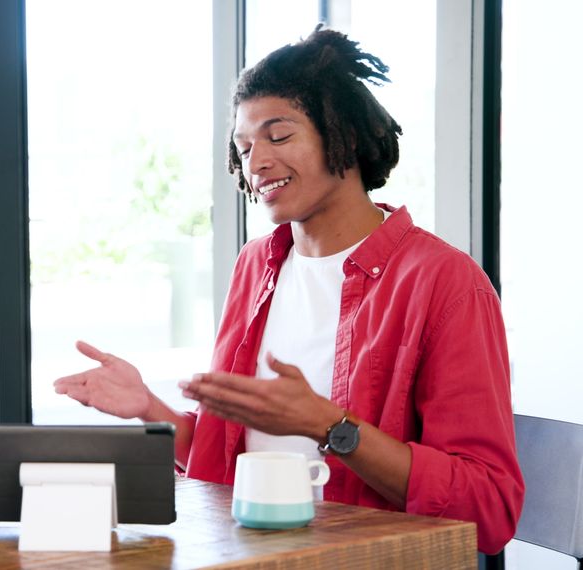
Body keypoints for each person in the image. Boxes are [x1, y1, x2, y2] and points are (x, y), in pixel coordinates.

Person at [54, 27, 523, 554]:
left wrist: (328, 425)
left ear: (343, 134)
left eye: (278, 137)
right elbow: (227, 460)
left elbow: (489, 506)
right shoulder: (257, 266)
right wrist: (148, 406)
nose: (255, 163)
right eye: (244, 147)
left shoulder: (444, 282)